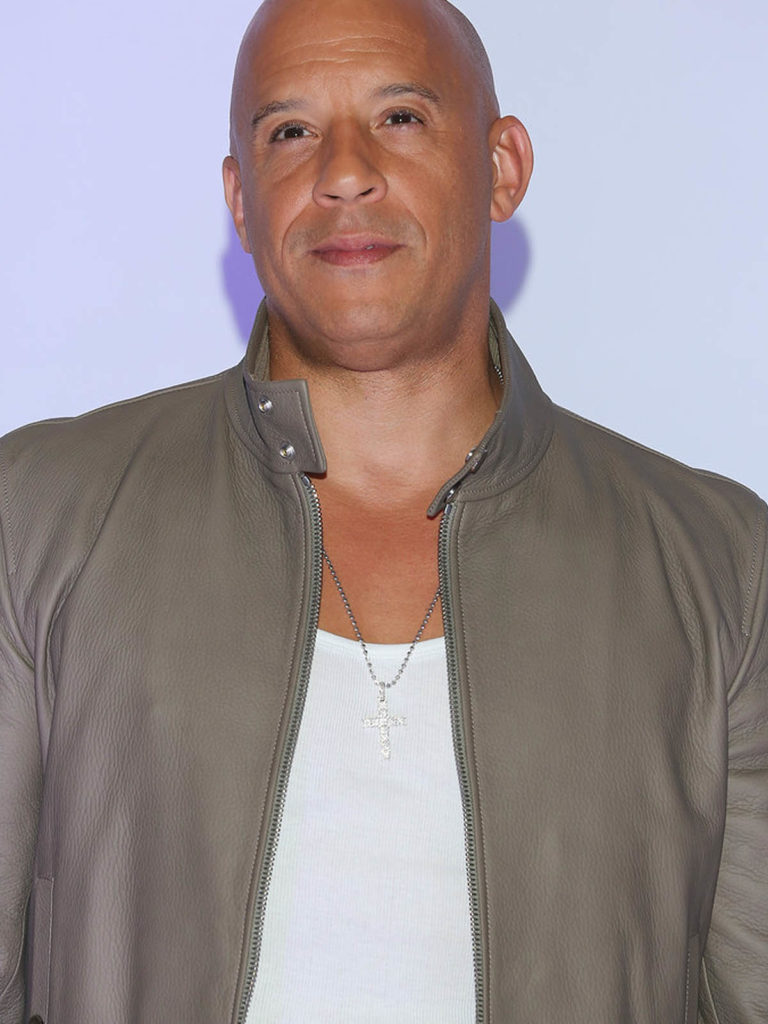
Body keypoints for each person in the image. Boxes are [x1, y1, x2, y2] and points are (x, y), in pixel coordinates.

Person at [1, 0, 766, 1020]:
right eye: (290, 131)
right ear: (240, 199)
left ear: (502, 167)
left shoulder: (721, 563)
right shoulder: (38, 514)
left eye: (400, 118)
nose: (344, 172)